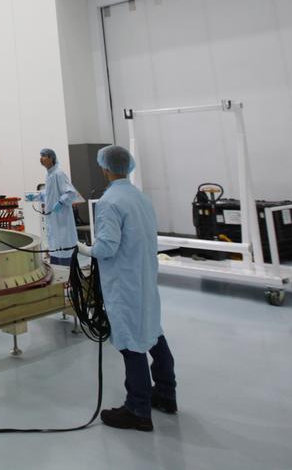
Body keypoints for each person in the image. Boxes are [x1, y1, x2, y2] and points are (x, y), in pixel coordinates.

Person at [78, 145, 176, 432]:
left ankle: (138, 408)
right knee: (153, 332)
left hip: (124, 282)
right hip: (144, 276)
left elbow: (107, 248)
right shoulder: (140, 197)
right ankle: (167, 394)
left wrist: (83, 249)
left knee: (131, 342)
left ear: (105, 168)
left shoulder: (110, 201)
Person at [39, 148, 80, 264]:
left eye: (43, 156)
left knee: (64, 247)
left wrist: (61, 202)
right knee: (55, 247)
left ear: (51, 158)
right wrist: (39, 196)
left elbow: (71, 193)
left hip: (62, 219)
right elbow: (51, 193)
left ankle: (68, 276)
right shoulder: (49, 175)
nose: (41, 159)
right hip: (53, 220)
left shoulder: (59, 174)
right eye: (40, 156)